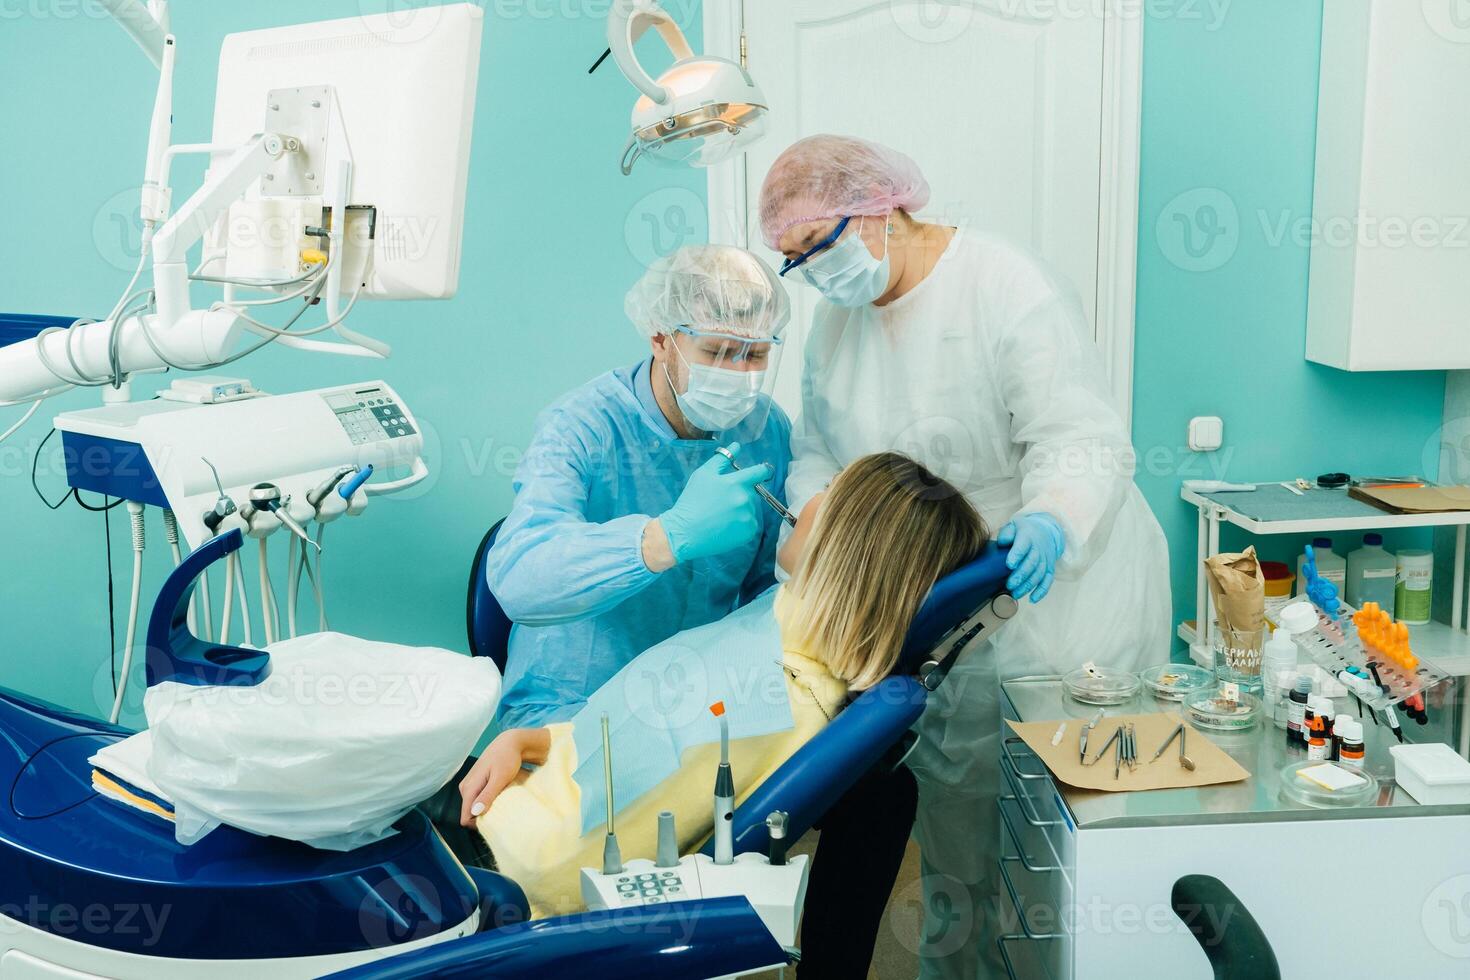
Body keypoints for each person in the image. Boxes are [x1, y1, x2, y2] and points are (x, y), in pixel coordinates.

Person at [759, 134, 1171, 979]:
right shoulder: (836, 328)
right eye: (795, 260)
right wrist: (815, 514)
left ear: (884, 210)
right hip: (943, 613)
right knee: (955, 824)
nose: (815, 273)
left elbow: (1081, 438)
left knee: (1060, 822)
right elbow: (814, 452)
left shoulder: (1003, 286)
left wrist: (1052, 518)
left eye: (819, 246)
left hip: (1062, 594)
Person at [463, 453, 990, 919]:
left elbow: (568, 867)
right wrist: (538, 742)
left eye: (827, 491)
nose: (807, 500)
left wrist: (495, 843)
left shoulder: (766, 702)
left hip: (503, 856)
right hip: (523, 788)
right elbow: (626, 748)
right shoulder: (776, 629)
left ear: (845, 544)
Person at [485, 244, 793, 729]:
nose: (737, 374)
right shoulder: (581, 426)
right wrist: (662, 539)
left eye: (754, 355)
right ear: (660, 338)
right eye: (715, 352)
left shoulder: (765, 429)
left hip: (701, 696)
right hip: (576, 703)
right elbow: (520, 582)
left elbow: (768, 586)